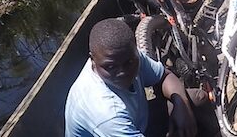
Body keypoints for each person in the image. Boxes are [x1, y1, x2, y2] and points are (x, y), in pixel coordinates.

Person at [64, 18, 197, 137]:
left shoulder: (126, 55)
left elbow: (165, 76)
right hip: (120, 129)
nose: (122, 72)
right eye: (110, 67)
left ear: (134, 50)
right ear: (93, 60)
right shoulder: (107, 114)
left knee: (197, 100)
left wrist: (182, 104)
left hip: (138, 122)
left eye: (129, 63)